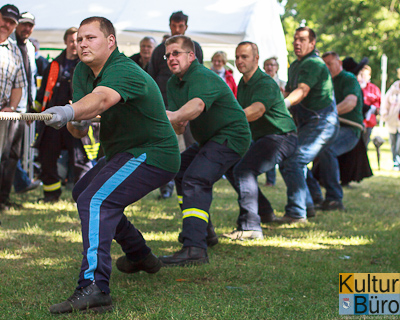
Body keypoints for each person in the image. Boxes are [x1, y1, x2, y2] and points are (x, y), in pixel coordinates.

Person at [43, 16, 180, 314]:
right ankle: (139, 254)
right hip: (125, 152)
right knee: (83, 193)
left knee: (95, 200)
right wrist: (75, 120)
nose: (82, 44)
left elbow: (102, 99)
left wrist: (68, 111)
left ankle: (94, 286)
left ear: (110, 42)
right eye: (80, 39)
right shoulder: (82, 70)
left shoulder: (123, 69)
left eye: (90, 38)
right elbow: (81, 124)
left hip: (153, 152)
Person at [159, 35, 251, 266]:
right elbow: (179, 124)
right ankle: (204, 234)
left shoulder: (200, 75)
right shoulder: (173, 83)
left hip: (232, 135)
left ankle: (194, 248)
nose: (171, 58)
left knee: (195, 179)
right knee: (181, 172)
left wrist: (174, 116)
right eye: (168, 55)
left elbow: (196, 106)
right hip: (210, 139)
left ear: (191, 56)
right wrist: (167, 121)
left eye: (176, 53)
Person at [222, 42, 297, 240]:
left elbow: (257, 110)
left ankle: (250, 227)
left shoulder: (264, 82)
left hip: (282, 137)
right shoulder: (243, 84)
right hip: (264, 138)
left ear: (256, 59)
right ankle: (264, 212)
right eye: (237, 57)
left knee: (244, 170)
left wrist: (228, 118)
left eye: (244, 57)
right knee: (231, 166)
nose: (239, 61)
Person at [278, 26, 339, 223]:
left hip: (322, 121)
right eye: (295, 39)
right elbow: (288, 92)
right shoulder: (295, 65)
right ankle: (309, 203)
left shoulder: (314, 63)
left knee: (295, 160)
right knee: (289, 159)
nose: (297, 42)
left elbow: (301, 91)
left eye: (302, 39)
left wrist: (283, 104)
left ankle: (297, 212)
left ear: (312, 44)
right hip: (306, 122)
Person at [148, 11, 203, 199]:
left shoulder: (194, 49)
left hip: (188, 106)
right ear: (169, 26)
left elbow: (199, 76)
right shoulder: (159, 51)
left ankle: (193, 179)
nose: (177, 29)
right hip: (163, 106)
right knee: (164, 146)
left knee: (191, 145)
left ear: (186, 27)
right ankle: (165, 186)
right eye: (174, 26)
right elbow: (151, 80)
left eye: (180, 26)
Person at [34, 27, 92, 202]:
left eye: (78, 41)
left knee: (79, 159)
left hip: (75, 119)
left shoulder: (85, 65)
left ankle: (82, 197)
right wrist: (35, 113)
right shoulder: (54, 64)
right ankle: (51, 195)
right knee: (47, 156)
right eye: (72, 40)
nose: (75, 44)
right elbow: (42, 93)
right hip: (52, 119)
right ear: (66, 41)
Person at [308, 51, 364, 211]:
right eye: (323, 64)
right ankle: (315, 195)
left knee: (328, 149)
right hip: (328, 128)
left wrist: (330, 112)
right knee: (298, 153)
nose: (326, 67)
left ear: (339, 63)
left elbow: (350, 102)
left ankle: (334, 199)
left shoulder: (348, 79)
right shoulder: (323, 83)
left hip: (349, 129)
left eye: (329, 64)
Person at [11, 12, 41, 194]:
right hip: (9, 107)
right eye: (23, 24)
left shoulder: (30, 47)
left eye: (30, 25)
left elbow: (31, 80)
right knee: (7, 152)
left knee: (15, 152)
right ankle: (20, 183)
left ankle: (17, 185)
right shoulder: (8, 44)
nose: (26, 28)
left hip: (23, 108)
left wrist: (32, 107)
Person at [0, 4, 26, 211]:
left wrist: (12, 107)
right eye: (4, 19)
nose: (6, 25)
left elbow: (19, 84)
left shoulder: (14, 49)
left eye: (11, 23)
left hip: (4, 113)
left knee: (9, 157)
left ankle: (2, 199)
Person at [263, 56, 286, 186]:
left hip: (278, 123)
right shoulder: (260, 83)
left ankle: (272, 179)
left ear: (277, 68)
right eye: (267, 65)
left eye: (272, 65)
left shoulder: (283, 84)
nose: (270, 67)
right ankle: (269, 179)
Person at [357, 65, 381, 147]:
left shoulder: (374, 89)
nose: (363, 77)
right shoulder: (356, 86)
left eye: (365, 75)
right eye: (362, 75)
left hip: (369, 121)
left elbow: (378, 102)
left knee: (364, 144)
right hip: (357, 120)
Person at [381, 78, 400, 170]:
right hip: (392, 122)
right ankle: (395, 162)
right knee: (393, 143)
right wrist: (385, 115)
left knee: (399, 144)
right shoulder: (393, 90)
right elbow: (385, 103)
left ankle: (398, 161)